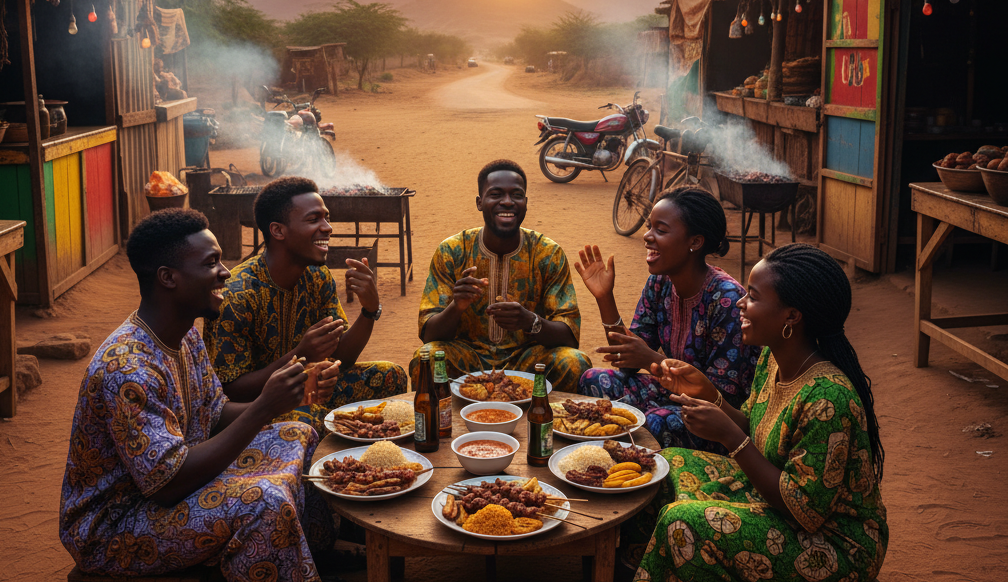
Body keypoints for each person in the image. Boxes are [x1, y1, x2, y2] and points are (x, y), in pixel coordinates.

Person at [60, 210, 340, 582]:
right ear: (169, 278)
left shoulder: (183, 331)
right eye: (211, 262)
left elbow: (213, 411)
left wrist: (289, 400)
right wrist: (260, 409)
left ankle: (307, 564)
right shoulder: (126, 369)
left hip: (169, 485)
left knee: (296, 432)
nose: (226, 272)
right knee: (262, 502)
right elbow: (167, 484)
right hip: (116, 524)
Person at [620, 244, 888, 582]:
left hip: (833, 543)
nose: (742, 303)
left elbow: (803, 510)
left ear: (792, 316)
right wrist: (710, 395)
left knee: (688, 520)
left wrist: (730, 438)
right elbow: (759, 431)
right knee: (669, 465)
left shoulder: (828, 398)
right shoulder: (776, 357)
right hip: (784, 504)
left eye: (755, 296)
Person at [204, 176, 406, 431]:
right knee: (305, 421)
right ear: (278, 230)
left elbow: (342, 355)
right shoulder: (237, 296)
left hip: (308, 389)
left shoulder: (317, 276)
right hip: (257, 407)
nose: (327, 228)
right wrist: (301, 357)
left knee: (391, 376)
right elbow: (230, 390)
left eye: (326, 218)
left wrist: (369, 310)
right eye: (314, 220)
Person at [576, 187, 758, 449]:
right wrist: (605, 297)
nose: (647, 237)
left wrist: (652, 359)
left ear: (694, 242)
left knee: (652, 424)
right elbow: (627, 361)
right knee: (593, 379)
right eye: (650, 227)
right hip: (667, 393)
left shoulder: (727, 299)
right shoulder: (659, 282)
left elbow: (719, 395)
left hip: (716, 416)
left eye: (660, 230)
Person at [413, 159, 591, 391]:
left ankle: (548, 424)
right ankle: (439, 426)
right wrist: (456, 307)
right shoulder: (452, 251)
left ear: (525, 203)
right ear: (480, 202)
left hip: (527, 360)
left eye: (516, 195)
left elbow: (569, 337)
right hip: (468, 358)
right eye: (496, 194)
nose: (507, 202)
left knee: (574, 363)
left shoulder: (547, 253)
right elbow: (429, 334)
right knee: (425, 359)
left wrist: (530, 321)